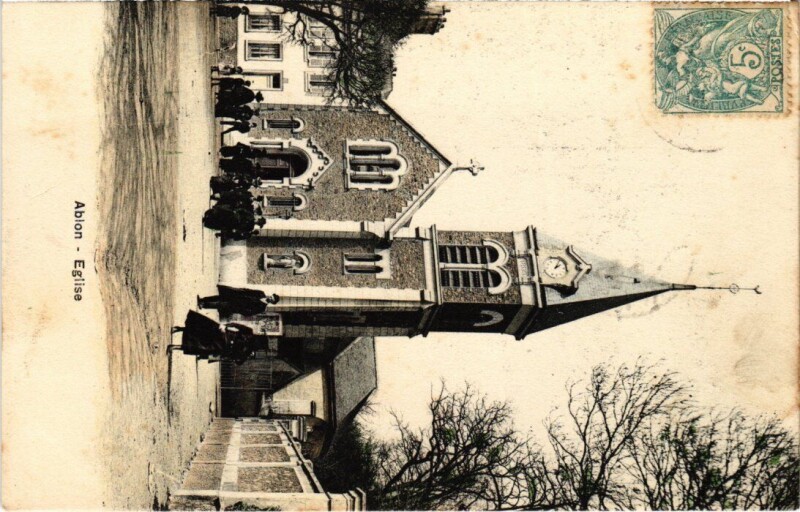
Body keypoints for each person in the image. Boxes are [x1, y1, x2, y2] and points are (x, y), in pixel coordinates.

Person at [168, 310, 261, 364]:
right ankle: (179, 330)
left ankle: (175, 345)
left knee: (199, 345)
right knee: (201, 332)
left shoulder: (248, 351)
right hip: (223, 335)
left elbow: (238, 361)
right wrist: (225, 326)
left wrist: (242, 356)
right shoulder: (249, 333)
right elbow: (237, 325)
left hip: (221, 345)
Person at [198, 286, 280, 317]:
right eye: (271, 296)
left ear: (272, 302)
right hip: (237, 296)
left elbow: (250, 313)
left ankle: (203, 305)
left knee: (220, 305)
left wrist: (241, 310)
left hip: (237, 306)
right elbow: (249, 290)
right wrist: (241, 290)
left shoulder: (262, 308)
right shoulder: (261, 293)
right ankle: (202, 300)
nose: (270, 297)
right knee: (219, 297)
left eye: (271, 299)